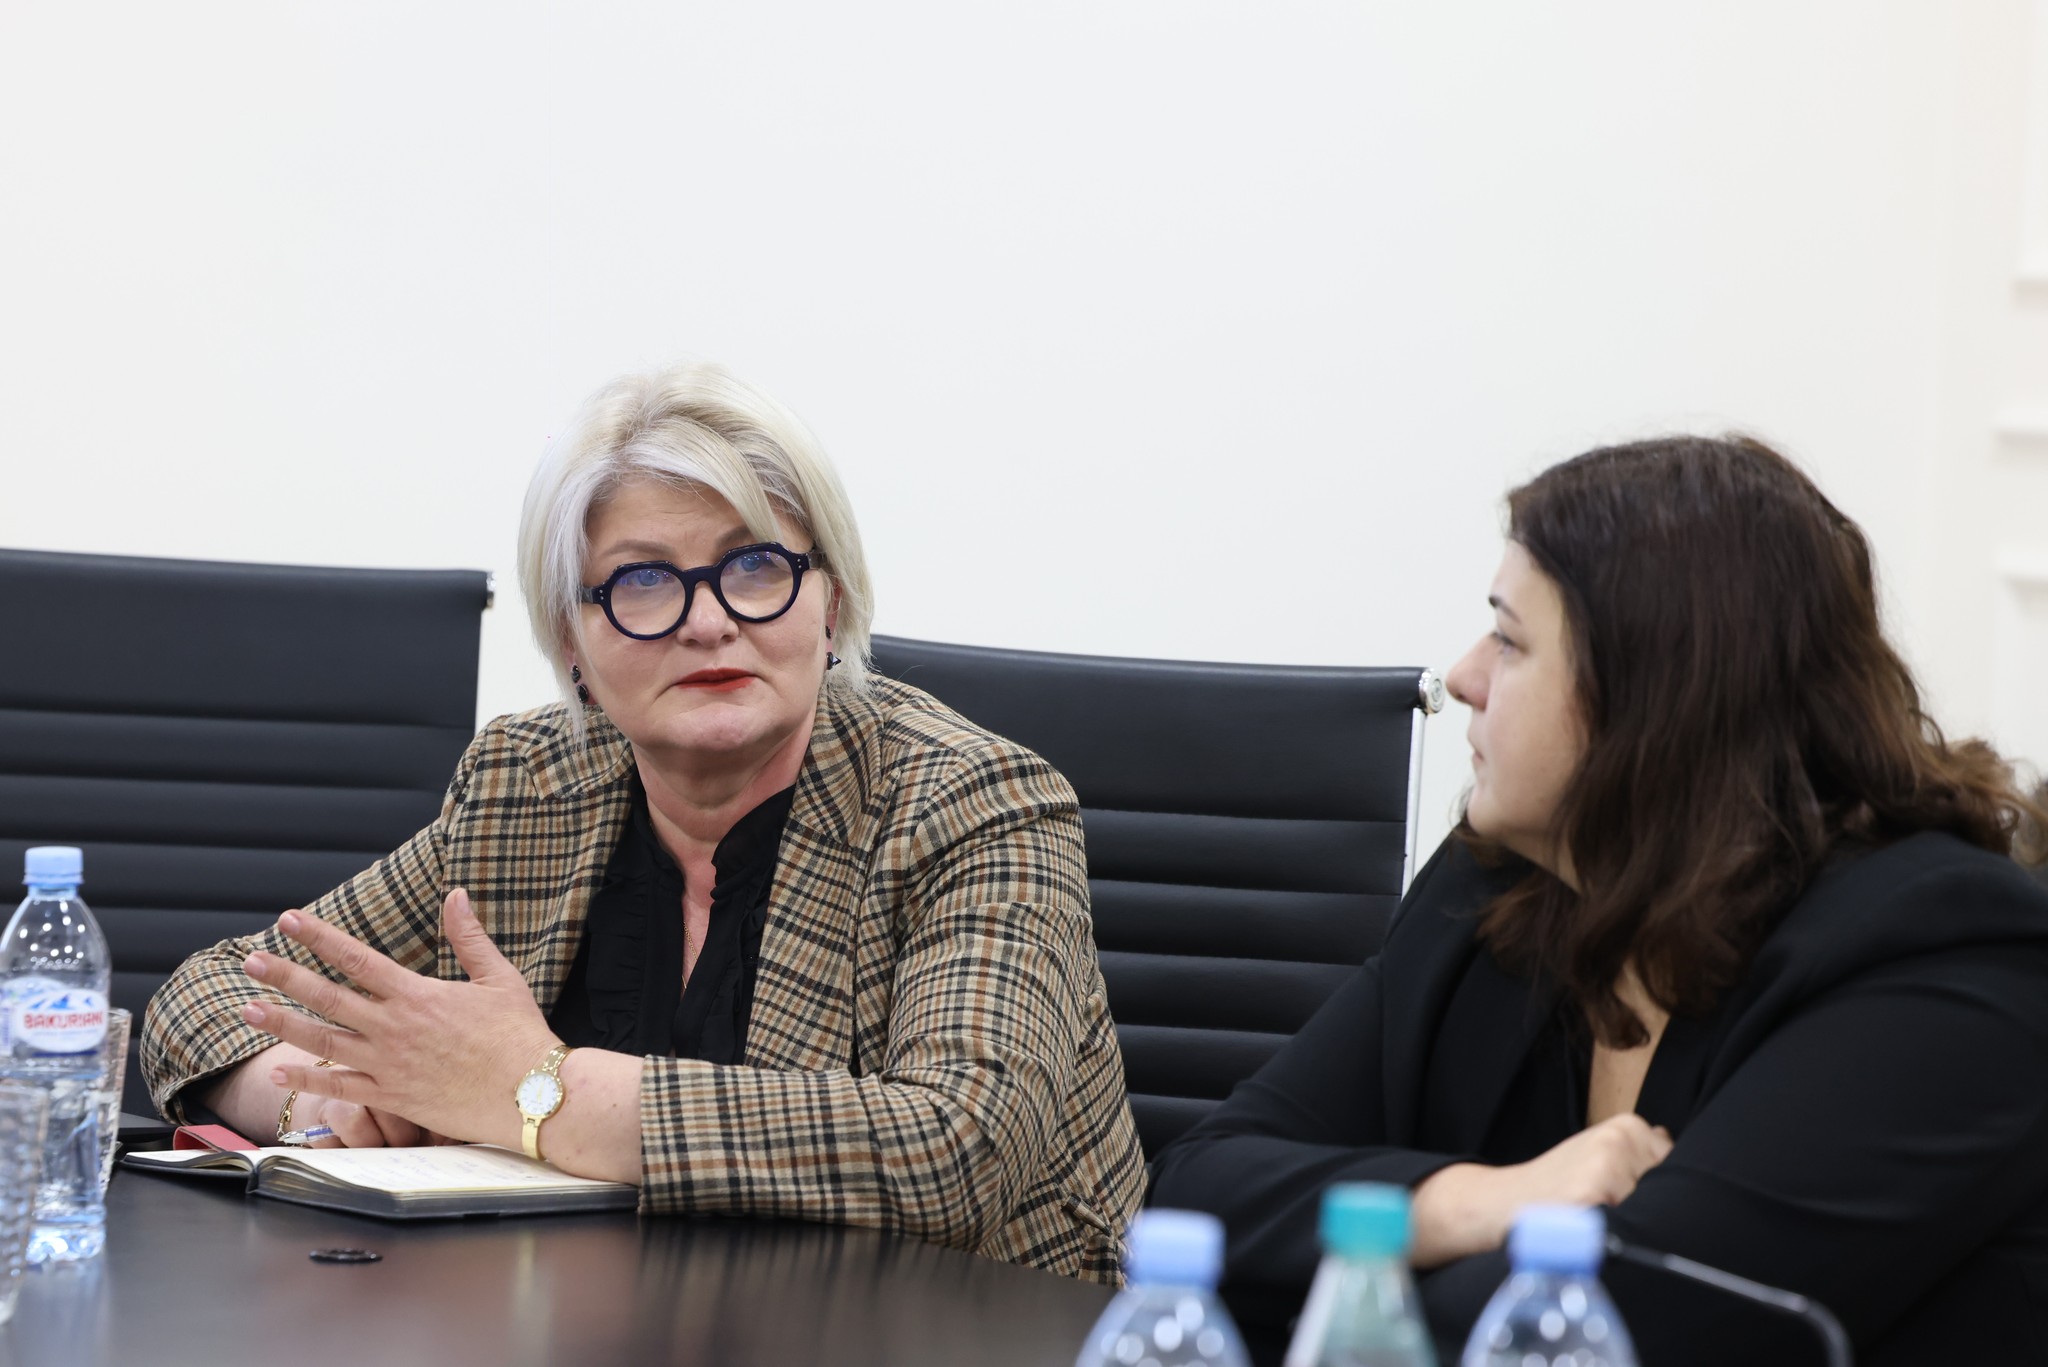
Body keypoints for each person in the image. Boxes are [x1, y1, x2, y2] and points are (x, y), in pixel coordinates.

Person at [140, 362, 1144, 1283]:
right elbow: (208, 992)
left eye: (756, 565)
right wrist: (317, 1098)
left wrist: (531, 1089)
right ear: (572, 640)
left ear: (829, 604)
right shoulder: (526, 785)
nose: (710, 621)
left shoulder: (974, 802)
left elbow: (955, 1149)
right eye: (644, 581)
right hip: (590, 1315)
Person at [1148, 435, 2048, 1362]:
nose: (1463, 676)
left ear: (1655, 697)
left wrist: (1351, 1267)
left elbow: (1624, 1326)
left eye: (1509, 640)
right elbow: (1191, 1195)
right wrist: (1480, 1200)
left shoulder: (1942, 957)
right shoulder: (1505, 884)